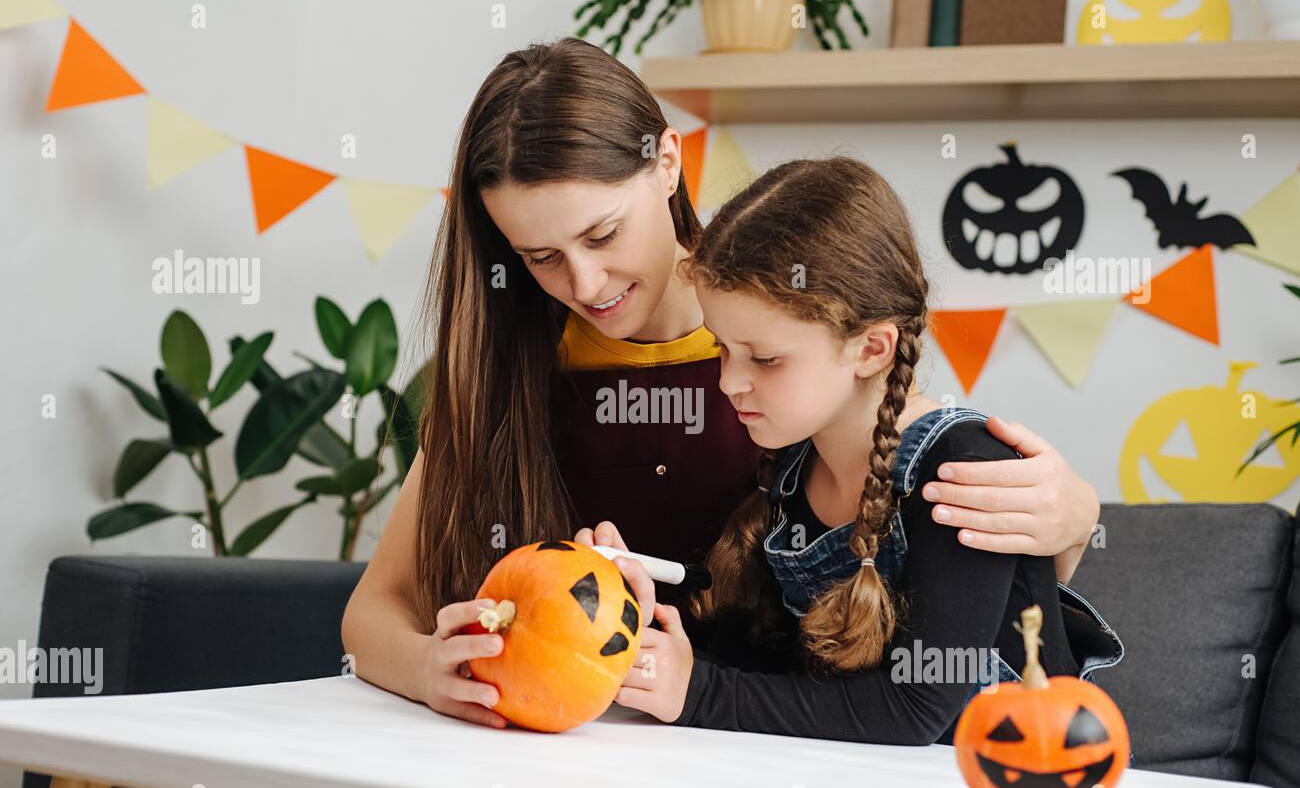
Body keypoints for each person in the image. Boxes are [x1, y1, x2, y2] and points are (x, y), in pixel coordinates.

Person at [341, 38, 1104, 731]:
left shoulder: (794, 325)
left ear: (666, 162)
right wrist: (430, 671)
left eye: (603, 233)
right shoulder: (509, 369)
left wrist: (1073, 522)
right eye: (540, 256)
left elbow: (944, 580)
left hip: (760, 751)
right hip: (605, 743)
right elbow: (376, 608)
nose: (584, 282)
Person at [601, 156, 1122, 744]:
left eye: (764, 358)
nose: (728, 382)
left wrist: (698, 694)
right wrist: (631, 615)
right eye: (722, 348)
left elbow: (914, 709)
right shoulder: (793, 471)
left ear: (872, 349)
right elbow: (779, 678)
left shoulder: (962, 468)